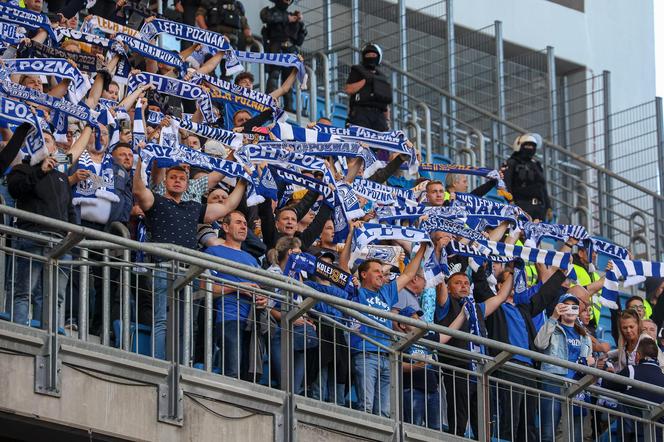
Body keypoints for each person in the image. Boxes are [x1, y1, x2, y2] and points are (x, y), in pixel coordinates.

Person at [133, 159, 247, 360]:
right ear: (165, 181)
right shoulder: (156, 201)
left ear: (187, 184)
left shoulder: (193, 207)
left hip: (188, 273)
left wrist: (243, 181)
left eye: (182, 178)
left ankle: (183, 365)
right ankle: (159, 363)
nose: (177, 181)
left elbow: (228, 205)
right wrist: (141, 160)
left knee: (186, 323)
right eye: (173, 178)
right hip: (163, 267)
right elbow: (139, 190)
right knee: (162, 320)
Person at [340, 222, 428, 418]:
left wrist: (422, 246)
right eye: (377, 272)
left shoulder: (387, 293)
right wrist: (351, 234)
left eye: (383, 272)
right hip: (365, 353)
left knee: (385, 413)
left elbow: (409, 274)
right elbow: (343, 265)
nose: (382, 275)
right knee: (367, 406)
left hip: (387, 355)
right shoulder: (356, 291)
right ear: (363, 274)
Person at [6, 131, 76, 328]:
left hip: (62, 244)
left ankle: (48, 334)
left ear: (55, 148)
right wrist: (40, 171)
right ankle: (19, 334)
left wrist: (72, 230)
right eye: (40, 141)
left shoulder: (62, 177)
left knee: (55, 296)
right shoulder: (22, 168)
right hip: (32, 236)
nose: (44, 145)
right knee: (25, 290)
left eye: (47, 141)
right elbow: (15, 190)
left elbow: (69, 208)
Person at [203, 211, 267, 379]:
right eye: (238, 222)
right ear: (225, 227)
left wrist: (263, 298)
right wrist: (237, 287)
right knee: (232, 372)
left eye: (245, 224)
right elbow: (205, 287)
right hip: (229, 317)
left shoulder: (253, 260)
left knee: (250, 376)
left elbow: (262, 288)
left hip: (252, 322)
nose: (244, 226)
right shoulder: (213, 252)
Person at [534, 293, 594, 442]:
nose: (570, 310)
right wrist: (553, 317)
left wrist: (591, 361)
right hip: (554, 380)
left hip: (577, 385)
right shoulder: (552, 327)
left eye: (574, 306)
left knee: (577, 433)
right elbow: (539, 344)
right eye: (565, 306)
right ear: (558, 308)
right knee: (549, 430)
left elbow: (588, 361)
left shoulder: (585, 336)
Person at [603, 338, 664, 441]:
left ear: (637, 356)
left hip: (631, 434)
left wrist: (607, 373)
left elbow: (607, 385)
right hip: (658, 436)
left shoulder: (631, 371)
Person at [260, 0, 306, 111]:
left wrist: (301, 24)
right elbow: (266, 18)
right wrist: (287, 19)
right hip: (275, 46)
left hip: (290, 49)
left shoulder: (293, 16)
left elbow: (299, 40)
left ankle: (289, 106)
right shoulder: (269, 11)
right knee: (274, 74)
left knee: (289, 77)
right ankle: (270, 102)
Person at [503, 133, 551, 221]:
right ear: (519, 145)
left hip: (539, 208)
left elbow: (542, 187)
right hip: (521, 205)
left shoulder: (536, 165)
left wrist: (548, 206)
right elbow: (506, 183)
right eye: (527, 145)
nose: (530, 148)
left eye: (532, 146)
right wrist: (510, 202)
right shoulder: (511, 162)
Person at [345, 43, 392, 133]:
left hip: (379, 116)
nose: (371, 57)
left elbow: (385, 103)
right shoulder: (357, 70)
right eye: (368, 55)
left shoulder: (382, 77)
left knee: (381, 144)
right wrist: (366, 80)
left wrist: (387, 121)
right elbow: (349, 89)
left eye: (373, 55)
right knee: (361, 143)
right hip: (361, 113)